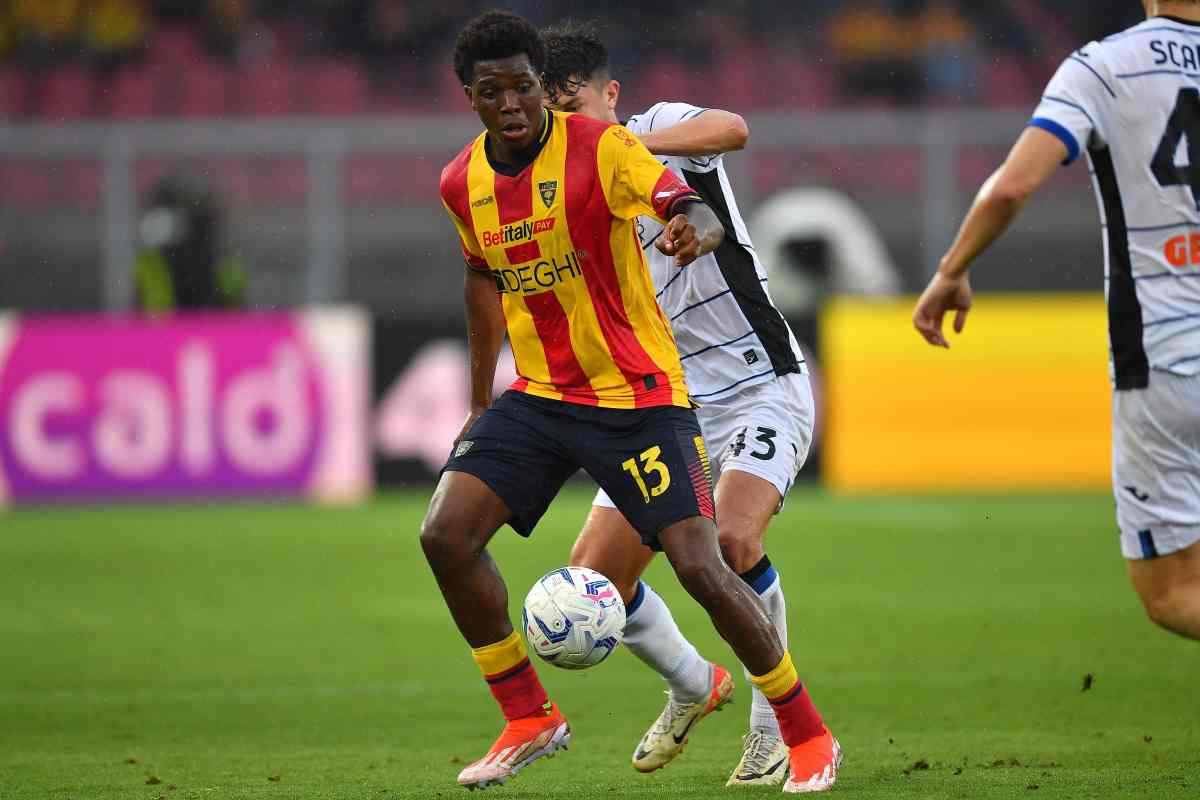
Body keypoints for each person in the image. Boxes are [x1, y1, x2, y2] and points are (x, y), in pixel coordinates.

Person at [423, 10, 837, 793]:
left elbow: (732, 132)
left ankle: (778, 729)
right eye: (504, 94)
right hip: (609, 390)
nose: (536, 113)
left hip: (749, 383)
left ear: (608, 96)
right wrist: (483, 400)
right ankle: (691, 683)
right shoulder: (488, 179)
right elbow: (486, 273)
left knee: (726, 548)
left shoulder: (632, 139)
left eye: (557, 100)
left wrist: (649, 171)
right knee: (588, 576)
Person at [913, 0, 1200, 642]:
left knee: (1173, 592)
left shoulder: (1104, 66)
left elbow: (1011, 187)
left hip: (1165, 357)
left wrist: (952, 270)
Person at [134, 172, 246, 313]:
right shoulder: (152, 259)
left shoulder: (218, 255)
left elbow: (233, 300)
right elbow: (150, 308)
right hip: (172, 318)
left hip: (208, 315)